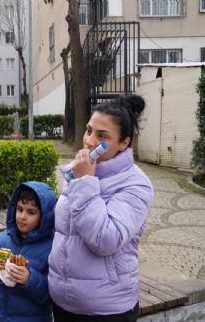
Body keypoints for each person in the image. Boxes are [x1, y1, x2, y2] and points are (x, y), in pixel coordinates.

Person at [48, 94, 154, 321]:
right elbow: (64, 233)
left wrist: (85, 181)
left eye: (102, 136)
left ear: (124, 142)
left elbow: (105, 239)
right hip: (63, 302)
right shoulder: (77, 173)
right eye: (89, 131)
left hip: (106, 309)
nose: (89, 141)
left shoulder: (136, 184)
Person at [0, 181, 56, 322]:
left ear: (44, 217)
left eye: (31, 212)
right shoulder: (3, 240)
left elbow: (51, 295)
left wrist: (30, 279)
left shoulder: (51, 248)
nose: (22, 217)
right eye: (20, 209)